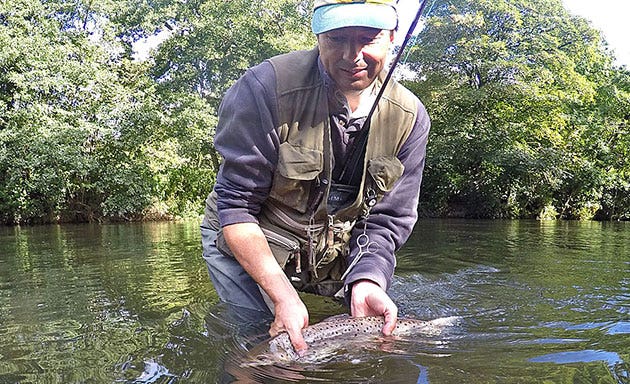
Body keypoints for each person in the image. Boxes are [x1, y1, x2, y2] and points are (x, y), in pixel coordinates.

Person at [200, 0, 430, 355]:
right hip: (251, 234)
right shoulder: (264, 89)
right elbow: (237, 207)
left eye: (368, 38)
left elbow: (387, 219)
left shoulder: (410, 117)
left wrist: (368, 279)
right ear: (318, 36)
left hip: (331, 244)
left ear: (392, 37)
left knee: (360, 341)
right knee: (261, 344)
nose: (352, 56)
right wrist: (281, 295)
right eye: (337, 39)